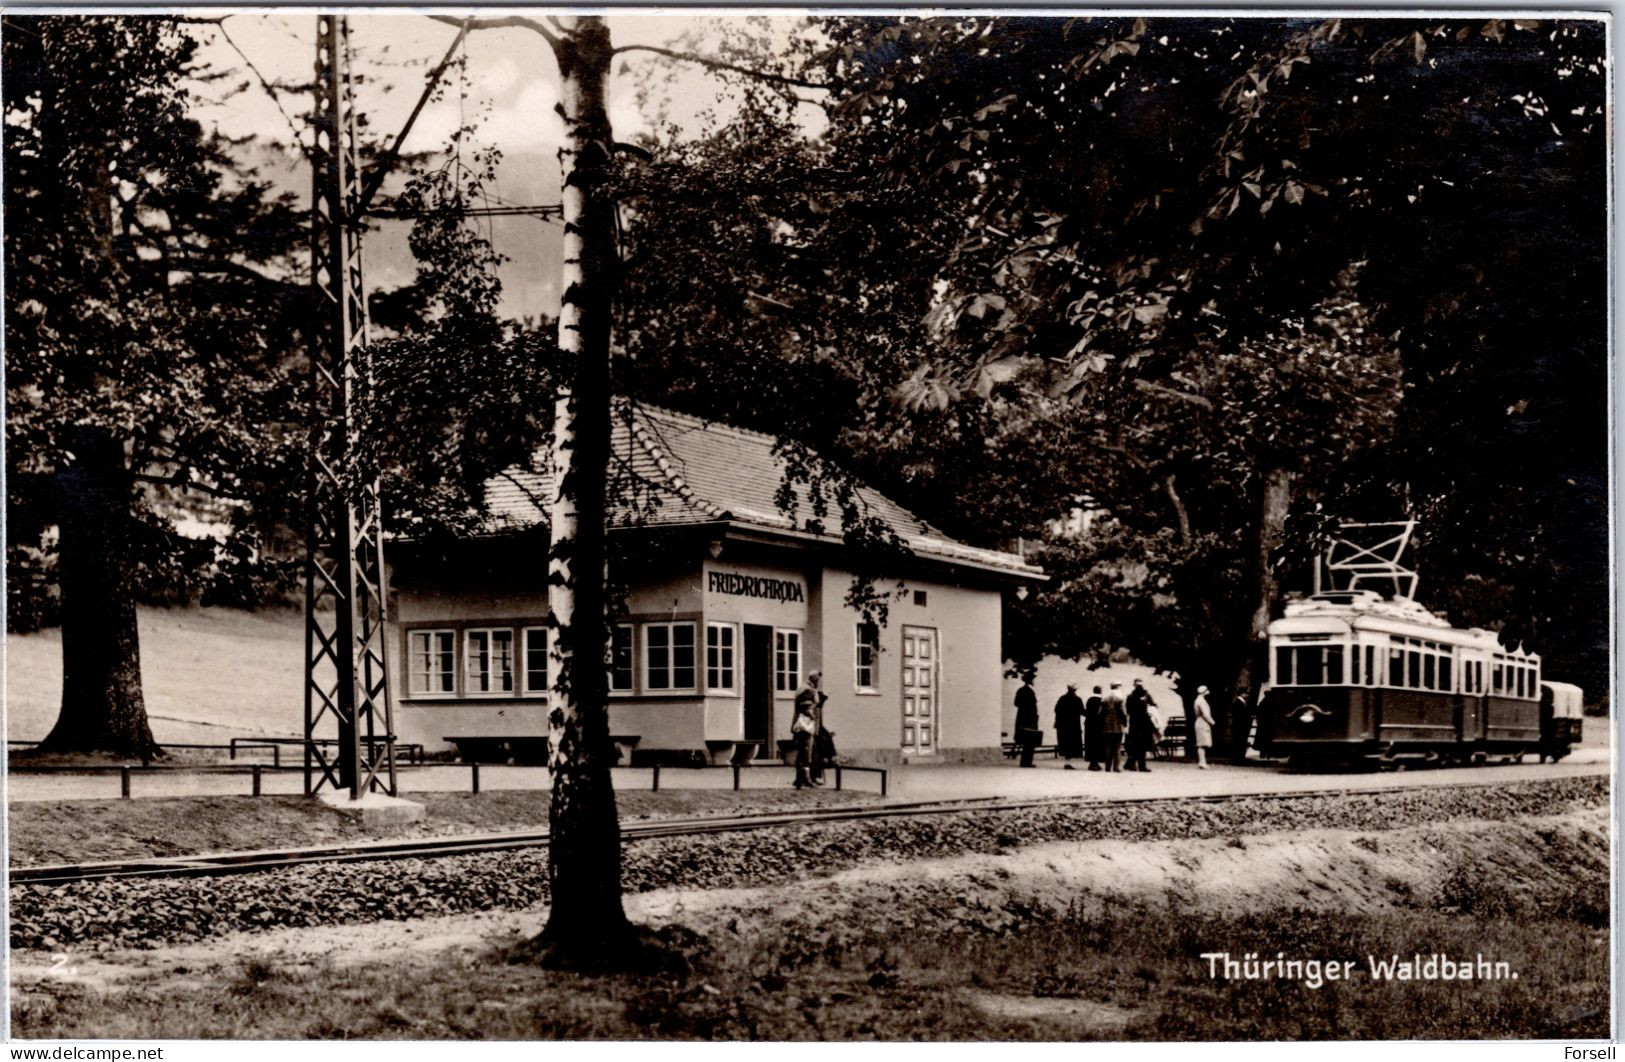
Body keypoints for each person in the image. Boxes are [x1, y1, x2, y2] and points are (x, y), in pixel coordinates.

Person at [796, 672, 829, 785]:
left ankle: (802, 778)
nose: (818, 682)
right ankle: (805, 778)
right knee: (807, 751)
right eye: (817, 680)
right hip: (807, 725)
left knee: (806, 751)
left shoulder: (805, 688)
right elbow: (807, 709)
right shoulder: (807, 690)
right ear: (814, 680)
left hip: (804, 724)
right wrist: (814, 717)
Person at [1124, 678, 1156, 772]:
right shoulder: (1146, 695)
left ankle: (1131, 763)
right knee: (1142, 745)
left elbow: (1128, 710)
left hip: (1134, 723)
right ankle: (1140, 765)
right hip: (1144, 723)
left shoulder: (1130, 696)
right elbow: (1153, 705)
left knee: (1135, 744)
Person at [1053, 682, 1085, 769]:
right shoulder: (1077, 699)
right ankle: (1068, 762)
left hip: (1063, 725)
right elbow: (1082, 711)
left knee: (1065, 743)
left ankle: (1067, 762)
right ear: (1075, 690)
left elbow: (1056, 710)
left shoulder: (1062, 698)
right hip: (1073, 725)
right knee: (1072, 743)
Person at [1013, 672, 1040, 768]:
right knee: (1030, 742)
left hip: (1021, 718)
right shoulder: (1030, 691)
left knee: (1025, 741)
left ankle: (1025, 762)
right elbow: (1032, 707)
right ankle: (1026, 762)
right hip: (1029, 719)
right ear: (1031, 680)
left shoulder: (1020, 690)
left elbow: (1016, 703)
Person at [789, 695, 817, 788]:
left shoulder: (807, 719)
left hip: (808, 740)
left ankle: (799, 779)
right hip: (804, 740)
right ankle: (806, 778)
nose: (811, 711)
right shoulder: (802, 719)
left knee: (805, 759)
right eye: (810, 709)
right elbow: (807, 729)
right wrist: (812, 723)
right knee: (804, 759)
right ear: (806, 710)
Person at [1099, 682, 1127, 772]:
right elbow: (1123, 714)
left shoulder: (1104, 699)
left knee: (1108, 747)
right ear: (1117, 687)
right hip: (1117, 727)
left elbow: (1100, 714)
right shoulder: (1120, 699)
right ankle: (1116, 767)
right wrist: (1125, 724)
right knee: (1117, 747)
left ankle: (1107, 767)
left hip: (1106, 727)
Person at [1192, 684, 1215, 770]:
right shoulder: (1201, 701)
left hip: (1200, 722)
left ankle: (1202, 761)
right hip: (1202, 722)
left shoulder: (1198, 700)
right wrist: (1212, 722)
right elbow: (1205, 714)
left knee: (1202, 743)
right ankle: (1202, 762)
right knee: (1202, 744)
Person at [1084, 685, 1105, 770]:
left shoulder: (1089, 700)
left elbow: (1087, 712)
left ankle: (1092, 763)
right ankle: (1095, 763)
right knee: (1098, 744)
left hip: (1089, 724)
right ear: (1100, 691)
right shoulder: (1101, 701)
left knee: (1090, 744)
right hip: (1098, 725)